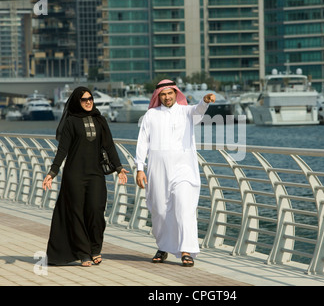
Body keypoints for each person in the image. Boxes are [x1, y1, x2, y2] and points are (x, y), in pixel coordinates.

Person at [42, 86, 128, 267]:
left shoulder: (100, 120)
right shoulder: (71, 122)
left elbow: (109, 146)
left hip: (95, 174)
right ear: (77, 102)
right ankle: (84, 253)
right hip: (74, 175)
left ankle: (96, 247)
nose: (88, 102)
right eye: (84, 99)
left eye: (90, 98)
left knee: (96, 210)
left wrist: (119, 168)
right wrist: (52, 172)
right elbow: (62, 150)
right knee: (77, 213)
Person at [135, 79, 216, 267]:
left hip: (183, 170)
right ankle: (163, 247)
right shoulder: (150, 115)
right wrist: (140, 168)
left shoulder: (186, 111)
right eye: (163, 94)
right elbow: (142, 143)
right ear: (158, 96)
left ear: (176, 93)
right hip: (158, 171)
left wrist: (205, 101)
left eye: (170, 93)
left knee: (184, 208)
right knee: (161, 211)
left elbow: (198, 110)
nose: (167, 97)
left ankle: (186, 251)